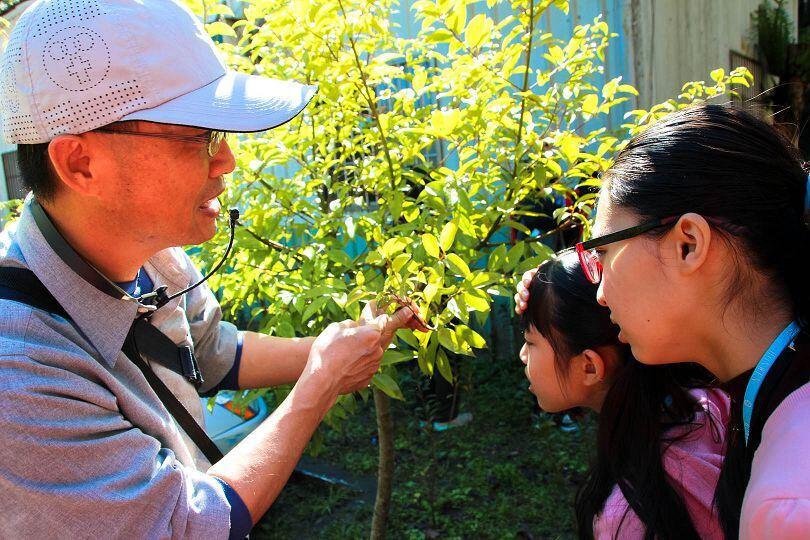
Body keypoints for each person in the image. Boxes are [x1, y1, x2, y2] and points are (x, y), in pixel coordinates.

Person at [0, 0, 420, 537]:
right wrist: (320, 383)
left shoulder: (151, 252)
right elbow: (185, 526)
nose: (227, 162)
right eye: (198, 136)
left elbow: (209, 353)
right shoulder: (21, 375)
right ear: (81, 163)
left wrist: (338, 347)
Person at [570, 103, 810, 539]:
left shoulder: (791, 507)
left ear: (688, 244)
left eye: (601, 254)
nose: (599, 292)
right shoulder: (765, 388)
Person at [516, 253, 727, 539]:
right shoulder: (709, 402)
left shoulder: (628, 518)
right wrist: (557, 276)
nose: (522, 355)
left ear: (590, 366)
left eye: (530, 341)